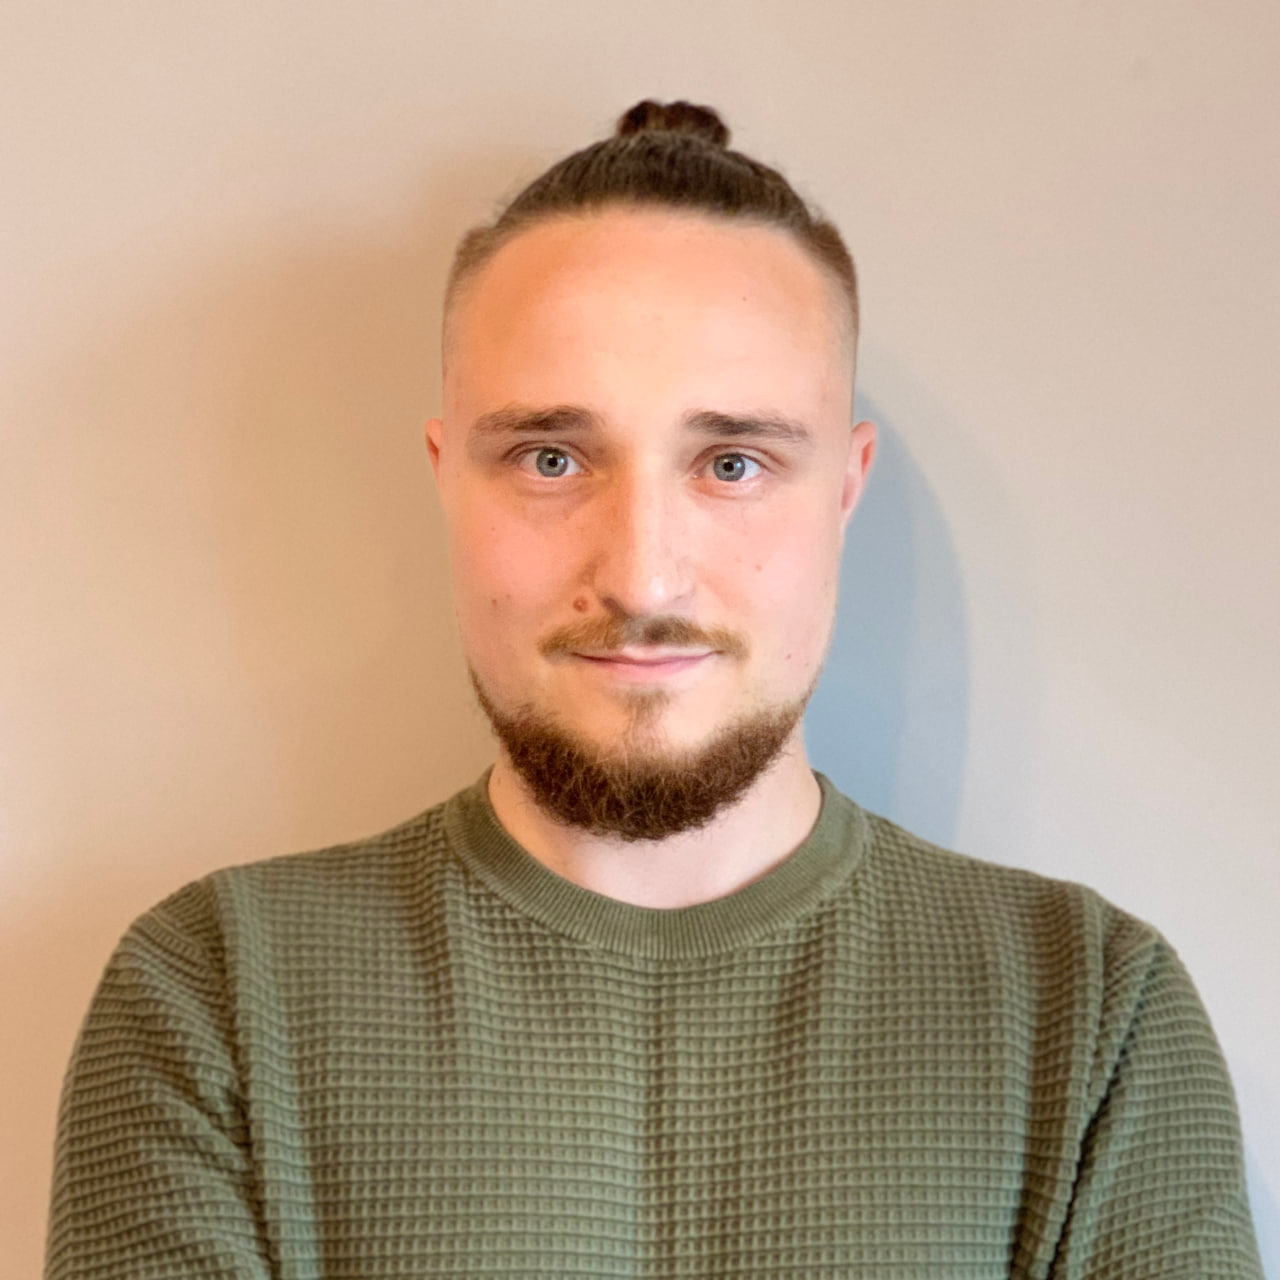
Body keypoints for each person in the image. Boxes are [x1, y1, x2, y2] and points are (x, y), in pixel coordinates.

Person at [46, 100, 1262, 1278]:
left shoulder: (1092, 1016)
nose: (639, 575)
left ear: (843, 487)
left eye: (731, 462)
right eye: (550, 457)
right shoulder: (215, 994)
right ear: (446, 476)